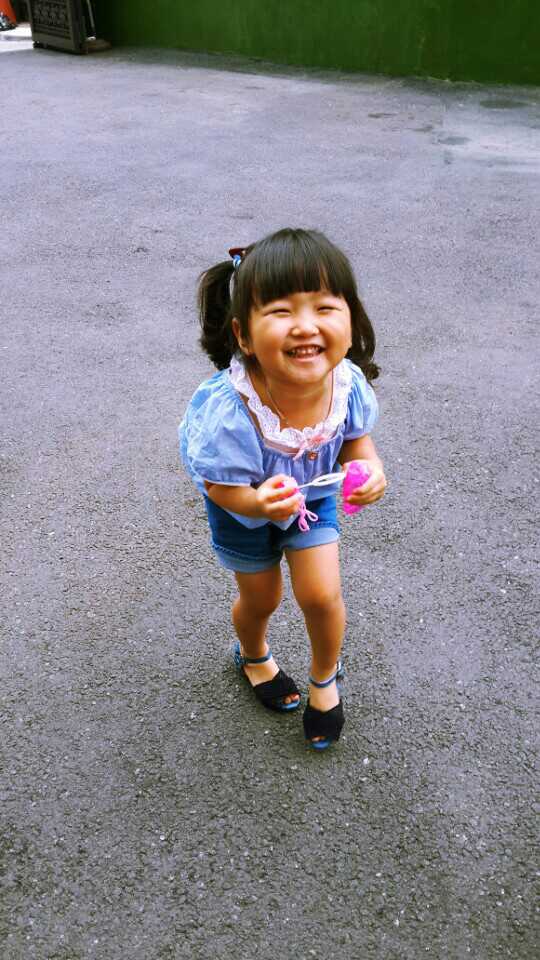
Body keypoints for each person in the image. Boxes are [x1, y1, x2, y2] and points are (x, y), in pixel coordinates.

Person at [179, 228, 386, 749]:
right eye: (280, 311)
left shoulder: (346, 385)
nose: (306, 326)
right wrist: (256, 501)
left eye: (325, 307)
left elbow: (356, 442)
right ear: (244, 336)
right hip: (243, 510)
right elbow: (218, 486)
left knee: (321, 594)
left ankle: (325, 681)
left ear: (351, 320)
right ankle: (254, 656)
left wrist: (368, 471)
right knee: (262, 597)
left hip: (311, 499)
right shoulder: (232, 411)